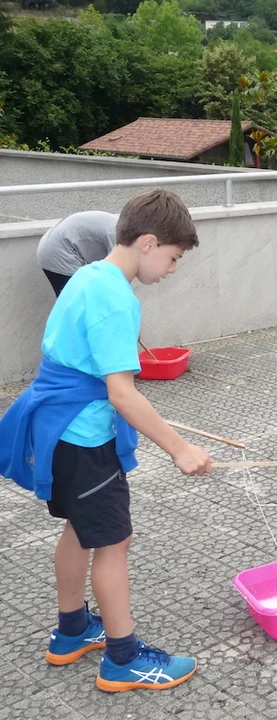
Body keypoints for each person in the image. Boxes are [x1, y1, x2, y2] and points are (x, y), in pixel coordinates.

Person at [0, 189, 213, 692]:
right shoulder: (117, 299)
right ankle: (122, 659)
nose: (172, 269)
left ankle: (72, 630)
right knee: (113, 543)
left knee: (79, 529)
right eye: (173, 258)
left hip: (60, 429)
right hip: (83, 439)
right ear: (148, 242)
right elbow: (122, 394)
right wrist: (179, 448)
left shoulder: (87, 275)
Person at [37, 211, 118, 296]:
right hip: (58, 253)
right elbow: (117, 273)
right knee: (77, 297)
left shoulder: (118, 227)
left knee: (81, 297)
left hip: (53, 246)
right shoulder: (116, 235)